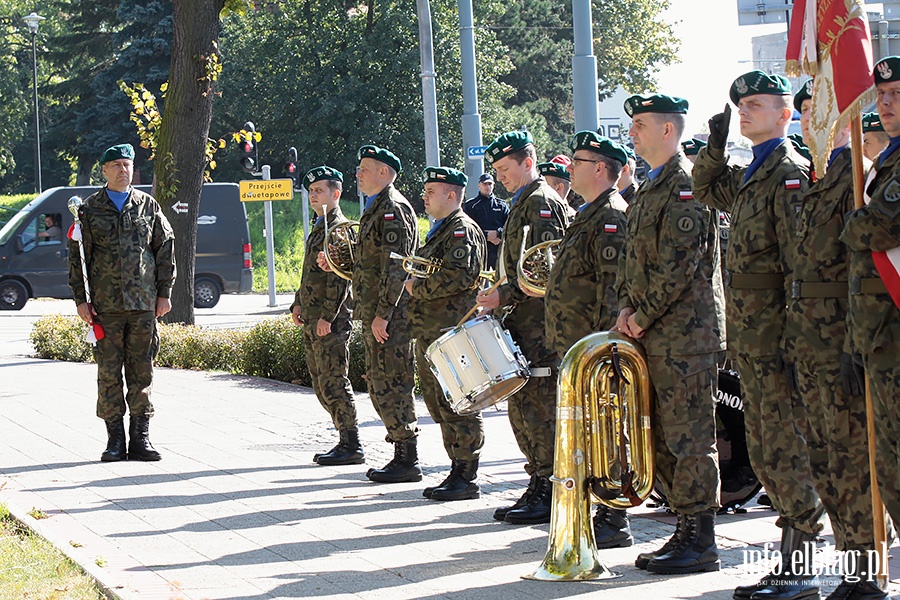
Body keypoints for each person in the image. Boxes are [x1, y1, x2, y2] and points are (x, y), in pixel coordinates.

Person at [692, 71, 824, 599]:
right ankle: (789, 566)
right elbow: (704, 186)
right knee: (767, 448)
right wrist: (718, 140)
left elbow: (799, 263)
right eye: (740, 104)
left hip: (778, 332)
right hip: (751, 333)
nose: (744, 111)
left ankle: (802, 566)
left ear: (785, 114)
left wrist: (796, 339)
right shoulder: (751, 172)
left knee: (787, 447)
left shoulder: (789, 173)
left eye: (756, 105)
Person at [615, 93, 726, 575]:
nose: (633, 132)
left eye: (641, 124)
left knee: (690, 439)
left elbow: (679, 264)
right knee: (658, 434)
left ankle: (701, 537)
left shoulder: (685, 183)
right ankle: (683, 526)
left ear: (667, 130)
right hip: (653, 332)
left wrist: (641, 315)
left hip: (684, 335)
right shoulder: (650, 185)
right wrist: (625, 306)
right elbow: (634, 261)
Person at [789, 81, 885, 599]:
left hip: (841, 341)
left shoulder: (855, 177)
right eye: (803, 111)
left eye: (818, 109)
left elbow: (864, 270)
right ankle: (851, 566)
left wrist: (855, 341)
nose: (809, 118)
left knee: (852, 459)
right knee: (824, 459)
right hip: (808, 342)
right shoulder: (814, 180)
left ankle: (868, 572)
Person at [475, 130, 570, 525]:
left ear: (527, 163)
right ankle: (538, 481)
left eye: (504, 169)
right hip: (521, 325)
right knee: (523, 408)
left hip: (540, 328)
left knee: (539, 410)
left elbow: (547, 271)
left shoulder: (541, 203)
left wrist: (506, 294)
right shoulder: (523, 202)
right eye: (496, 171)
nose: (499, 178)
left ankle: (548, 487)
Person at [541, 131, 629, 548]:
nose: (569, 168)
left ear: (599, 168)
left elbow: (611, 290)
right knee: (590, 429)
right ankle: (600, 507)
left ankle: (615, 516)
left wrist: (602, 347)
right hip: (577, 345)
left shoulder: (611, 214)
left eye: (577, 161)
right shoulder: (587, 212)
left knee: (609, 428)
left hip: (596, 346)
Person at [67, 143, 175, 462]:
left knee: (142, 369)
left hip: (142, 303)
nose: (122, 170)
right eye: (115, 165)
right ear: (104, 171)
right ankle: (114, 440)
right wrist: (81, 301)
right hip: (105, 306)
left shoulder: (148, 206)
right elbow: (78, 259)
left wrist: (164, 293)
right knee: (109, 371)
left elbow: (165, 248)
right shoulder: (89, 209)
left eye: (126, 164)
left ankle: (140, 438)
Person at [319, 144, 420, 483]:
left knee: (393, 383)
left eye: (365, 168)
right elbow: (368, 265)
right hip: (377, 312)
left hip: (390, 317)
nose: (358, 173)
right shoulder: (375, 208)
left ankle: (408, 459)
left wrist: (384, 314)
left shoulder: (392, 208)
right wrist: (334, 261)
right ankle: (401, 454)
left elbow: (396, 268)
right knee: (379, 384)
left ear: (384, 172)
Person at [841, 56, 900, 598]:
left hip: (896, 335)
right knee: (891, 462)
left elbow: (877, 224)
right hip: (880, 336)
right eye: (881, 94)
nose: (885, 103)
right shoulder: (889, 164)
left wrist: (857, 218)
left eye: (897, 94)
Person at [404, 166, 487, 501]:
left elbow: (463, 276)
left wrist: (417, 287)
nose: (424, 197)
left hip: (451, 329)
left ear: (451, 195)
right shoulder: (440, 230)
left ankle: (466, 474)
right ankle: (456, 466)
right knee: (440, 404)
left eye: (431, 192)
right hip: (433, 331)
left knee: (460, 403)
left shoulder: (460, 230)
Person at [290, 165, 361, 466]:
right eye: (311, 191)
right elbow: (310, 272)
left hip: (329, 319)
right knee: (320, 381)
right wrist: (297, 303)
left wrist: (327, 317)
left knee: (333, 380)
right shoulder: (321, 226)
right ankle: (343, 438)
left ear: (336, 193)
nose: (314, 195)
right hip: (313, 315)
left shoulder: (339, 229)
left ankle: (351, 443)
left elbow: (340, 279)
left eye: (320, 190)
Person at [462, 173, 508, 270]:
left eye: (490, 184)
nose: (487, 187)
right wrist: (486, 236)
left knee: (501, 280)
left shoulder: (502, 205)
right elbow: (467, 228)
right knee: (479, 281)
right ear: (479, 185)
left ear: (493, 185)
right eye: (485, 184)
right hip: (479, 249)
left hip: (498, 249)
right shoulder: (471, 206)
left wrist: (497, 233)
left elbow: (510, 226)